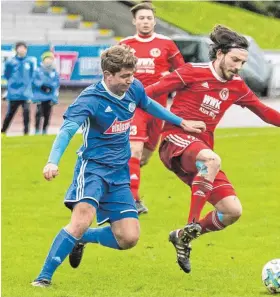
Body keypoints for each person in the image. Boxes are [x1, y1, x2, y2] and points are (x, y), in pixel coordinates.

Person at [145, 25, 280, 274]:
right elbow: (148, 94)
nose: (238, 67)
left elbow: (265, 112)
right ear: (219, 54)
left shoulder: (237, 86)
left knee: (232, 211)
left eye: (243, 62)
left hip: (202, 157)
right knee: (211, 159)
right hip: (174, 141)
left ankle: (182, 237)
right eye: (235, 60)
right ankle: (191, 224)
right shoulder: (191, 72)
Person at [31, 44, 205, 287]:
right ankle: (43, 278)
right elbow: (67, 131)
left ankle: (81, 239)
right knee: (81, 220)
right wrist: (52, 161)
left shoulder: (133, 87)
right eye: (124, 76)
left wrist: (180, 122)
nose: (130, 80)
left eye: (131, 75)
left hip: (119, 173)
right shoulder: (91, 99)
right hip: (92, 169)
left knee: (129, 238)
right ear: (107, 75)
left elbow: (147, 103)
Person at [119, 2, 185, 214]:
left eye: (148, 18)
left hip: (157, 109)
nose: (145, 22)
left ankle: (122, 182)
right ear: (134, 21)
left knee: (144, 157)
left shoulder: (167, 44)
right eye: (141, 18)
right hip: (134, 105)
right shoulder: (124, 45)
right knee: (134, 150)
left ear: (154, 21)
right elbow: (112, 72)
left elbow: (183, 72)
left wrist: (171, 78)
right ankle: (132, 201)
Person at [1, 41, 35, 135]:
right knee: (10, 114)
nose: (22, 50)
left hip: (25, 93)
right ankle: (3, 131)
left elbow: (32, 75)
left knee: (26, 113)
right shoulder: (10, 62)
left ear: (26, 50)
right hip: (14, 93)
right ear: (16, 50)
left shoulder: (30, 62)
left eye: (24, 48)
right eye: (20, 48)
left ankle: (26, 133)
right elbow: (7, 74)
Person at [32, 51, 60, 135]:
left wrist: (51, 89)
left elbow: (56, 83)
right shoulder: (38, 70)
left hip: (50, 97)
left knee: (47, 114)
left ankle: (44, 130)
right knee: (38, 113)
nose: (48, 61)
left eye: (50, 59)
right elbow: (34, 81)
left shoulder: (54, 72)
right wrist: (41, 86)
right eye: (47, 59)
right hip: (39, 96)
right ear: (43, 60)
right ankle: (37, 130)